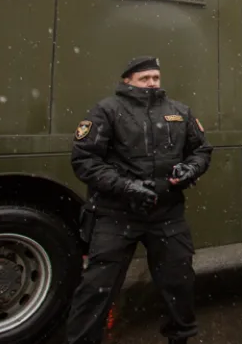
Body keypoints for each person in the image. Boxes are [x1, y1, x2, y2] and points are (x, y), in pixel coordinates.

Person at [67, 56, 212, 344]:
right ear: (127, 81)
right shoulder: (106, 111)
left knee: (179, 282)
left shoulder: (178, 111)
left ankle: (180, 338)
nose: (151, 83)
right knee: (97, 287)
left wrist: (190, 169)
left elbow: (202, 151)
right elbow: (85, 160)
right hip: (116, 213)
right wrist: (125, 187)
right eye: (144, 78)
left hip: (166, 213)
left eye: (155, 78)